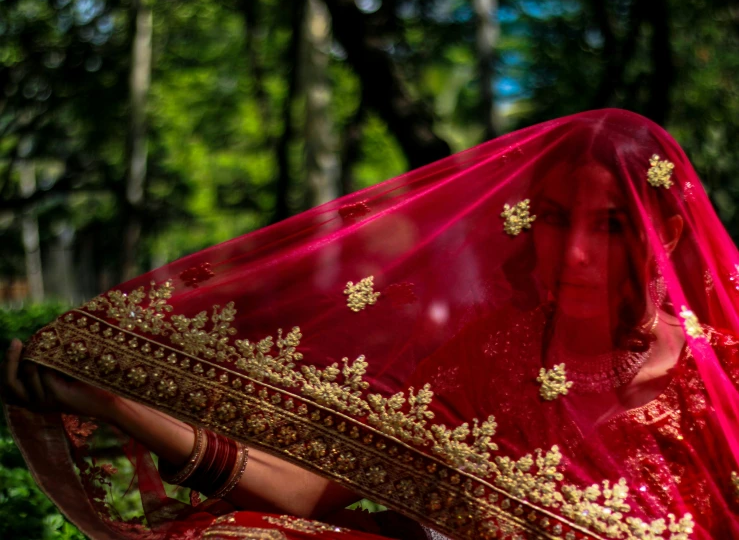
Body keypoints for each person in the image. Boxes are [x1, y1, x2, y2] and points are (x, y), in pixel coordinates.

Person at [3, 108, 739, 540]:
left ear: (667, 234)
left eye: (610, 226)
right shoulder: (483, 355)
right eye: (553, 220)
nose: (575, 253)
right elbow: (308, 490)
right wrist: (113, 404)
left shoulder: (722, 371)